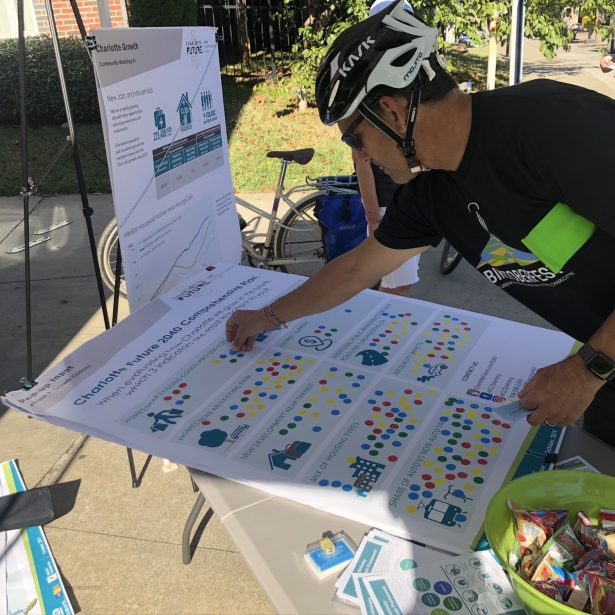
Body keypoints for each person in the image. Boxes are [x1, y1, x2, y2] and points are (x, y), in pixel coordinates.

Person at [227, 0, 615, 447]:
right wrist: (267, 317)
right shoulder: (432, 193)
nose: (361, 156)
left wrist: (588, 368)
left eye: (356, 137)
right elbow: (356, 270)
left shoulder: (548, 125)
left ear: (393, 113)